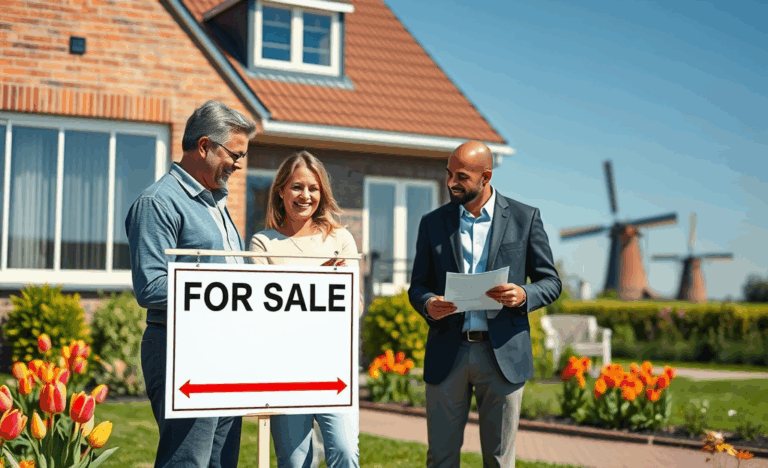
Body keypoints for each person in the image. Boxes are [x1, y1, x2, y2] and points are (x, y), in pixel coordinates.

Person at [408, 140, 562, 468]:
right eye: (449, 174)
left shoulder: (525, 218)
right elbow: (418, 286)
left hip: (502, 353)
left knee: (498, 460)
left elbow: (551, 282)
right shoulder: (433, 223)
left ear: (486, 176)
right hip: (448, 353)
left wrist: (523, 295)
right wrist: (427, 303)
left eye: (461, 176)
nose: (451, 183)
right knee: (440, 458)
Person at [126, 100, 257, 468]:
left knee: (221, 462)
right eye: (235, 153)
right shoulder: (158, 203)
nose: (239, 163)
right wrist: (223, 291)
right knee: (187, 461)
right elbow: (151, 285)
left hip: (224, 350)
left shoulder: (215, 202)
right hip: (181, 348)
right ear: (204, 146)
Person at [248, 150, 360, 468]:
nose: (305, 196)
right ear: (281, 190)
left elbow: (355, 305)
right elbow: (263, 310)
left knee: (345, 452)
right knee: (296, 462)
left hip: (334, 365)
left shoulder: (340, 239)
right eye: (297, 187)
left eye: (313, 188)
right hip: (287, 368)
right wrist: (317, 281)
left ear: (321, 193)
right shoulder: (263, 243)